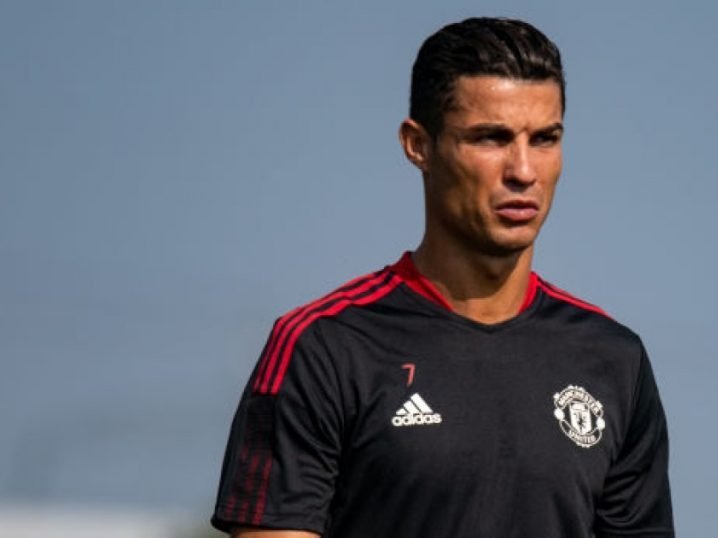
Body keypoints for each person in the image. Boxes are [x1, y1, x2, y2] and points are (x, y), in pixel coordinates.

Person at [211, 17, 674, 538]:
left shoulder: (614, 360)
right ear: (418, 145)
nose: (524, 171)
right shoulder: (323, 348)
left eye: (545, 139)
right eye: (491, 138)